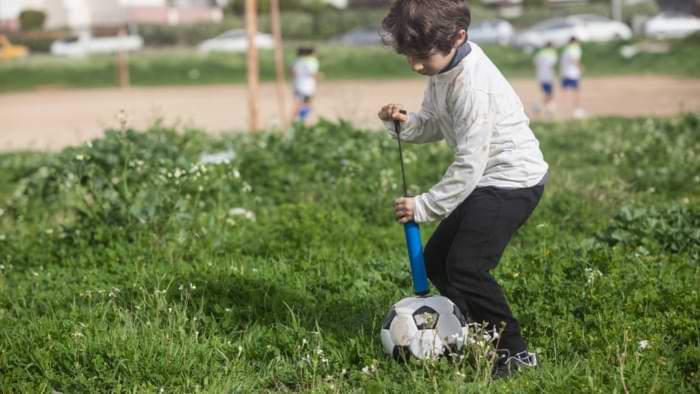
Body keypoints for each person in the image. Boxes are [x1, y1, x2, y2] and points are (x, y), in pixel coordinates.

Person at [377, 0, 549, 379]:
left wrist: (424, 206)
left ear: (458, 37)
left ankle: (515, 353)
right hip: (486, 179)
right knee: (437, 261)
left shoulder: (473, 85)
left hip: (512, 181)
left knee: (467, 267)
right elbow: (436, 122)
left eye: (422, 56)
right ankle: (461, 333)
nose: (415, 66)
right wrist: (404, 123)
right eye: (408, 56)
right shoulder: (443, 71)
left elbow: (470, 163)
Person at [291, 46, 320, 124]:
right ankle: (301, 120)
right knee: (308, 103)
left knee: (298, 104)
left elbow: (291, 71)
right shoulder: (312, 61)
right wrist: (320, 76)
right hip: (307, 86)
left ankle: (293, 120)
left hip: (297, 84)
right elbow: (312, 73)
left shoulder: (296, 61)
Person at [560, 37, 585, 118]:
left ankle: (561, 110)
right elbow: (574, 59)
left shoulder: (566, 49)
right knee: (576, 92)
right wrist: (580, 67)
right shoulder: (575, 49)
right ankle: (576, 110)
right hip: (573, 74)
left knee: (564, 92)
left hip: (565, 74)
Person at [533, 42, 558, 118]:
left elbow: (535, 63)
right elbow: (551, 66)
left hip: (540, 77)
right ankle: (544, 108)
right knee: (550, 94)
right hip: (548, 77)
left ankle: (546, 109)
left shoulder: (540, 54)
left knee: (545, 93)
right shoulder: (552, 54)